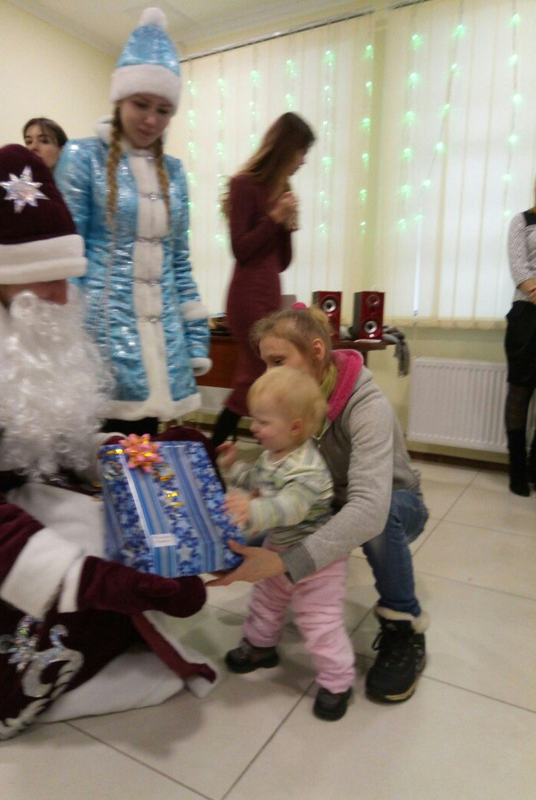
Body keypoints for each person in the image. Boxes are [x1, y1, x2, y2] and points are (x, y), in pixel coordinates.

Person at [0, 143, 217, 740]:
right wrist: (100, 581)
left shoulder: (27, 317)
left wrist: (133, 456)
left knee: (119, 533)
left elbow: (56, 440)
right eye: (50, 280)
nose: (65, 298)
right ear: (2, 275)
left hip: (8, 503)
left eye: (69, 277)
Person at [208, 306, 429, 703]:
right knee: (245, 547)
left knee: (378, 521)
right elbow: (277, 475)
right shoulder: (293, 403)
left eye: (278, 361)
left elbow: (368, 509)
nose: (269, 373)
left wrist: (286, 562)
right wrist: (246, 491)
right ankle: (262, 637)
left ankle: (403, 626)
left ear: (316, 351)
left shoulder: (368, 406)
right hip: (325, 505)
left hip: (394, 504)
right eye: (265, 363)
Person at [55, 8, 210, 438]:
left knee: (148, 454)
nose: (151, 120)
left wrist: (194, 341)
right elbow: (67, 256)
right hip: (99, 342)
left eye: (164, 110)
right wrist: (64, 341)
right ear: (119, 99)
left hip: (162, 349)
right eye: (141, 104)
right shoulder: (81, 157)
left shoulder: (174, 172)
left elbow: (179, 262)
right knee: (99, 457)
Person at [219, 367, 355, 721]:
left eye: (263, 422)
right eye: (254, 419)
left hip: (318, 561)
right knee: (266, 600)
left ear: (295, 427)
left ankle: (337, 682)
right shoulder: (273, 453)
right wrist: (234, 469)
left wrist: (252, 510)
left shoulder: (307, 469)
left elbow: (290, 507)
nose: (254, 428)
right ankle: (261, 646)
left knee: (319, 623)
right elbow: (258, 479)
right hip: (280, 551)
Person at [210, 112, 316, 448]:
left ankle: (253, 450)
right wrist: (274, 218)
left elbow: (282, 262)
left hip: (269, 295)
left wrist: (287, 225)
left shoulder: (281, 191)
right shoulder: (244, 185)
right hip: (247, 296)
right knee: (259, 373)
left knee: (263, 373)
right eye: (301, 151)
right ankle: (214, 453)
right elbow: (241, 250)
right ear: (286, 148)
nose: (303, 160)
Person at [504, 201, 536, 496]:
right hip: (527, 314)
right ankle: (517, 471)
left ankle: (534, 467)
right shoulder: (522, 221)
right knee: (520, 391)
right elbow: (520, 268)